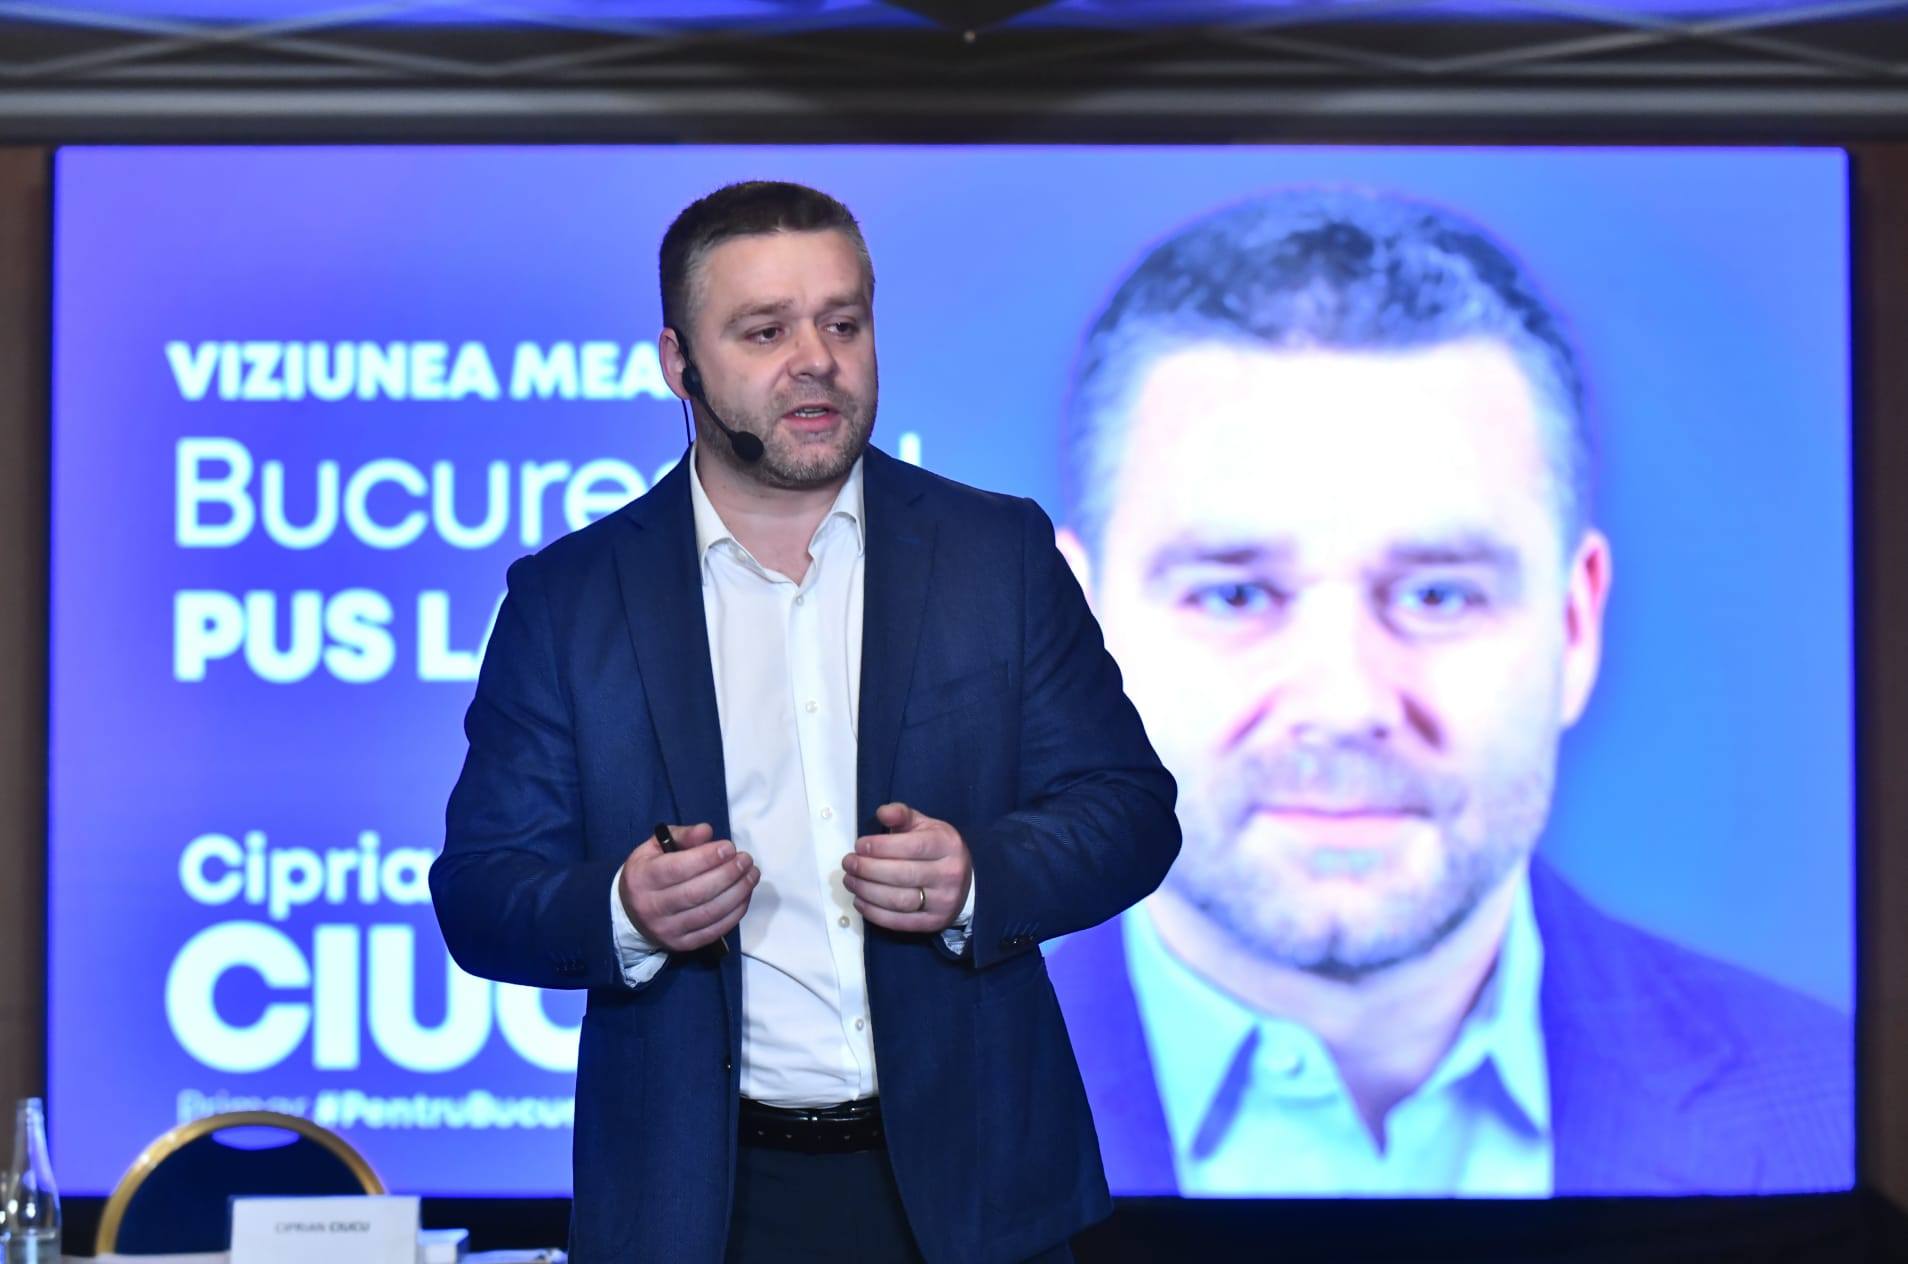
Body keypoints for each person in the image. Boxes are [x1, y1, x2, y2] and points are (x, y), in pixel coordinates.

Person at [1044, 188, 1851, 1198]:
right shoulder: (890, 1112)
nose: (1343, 704)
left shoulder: (1832, 1107)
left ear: (1575, 626)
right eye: (1235, 593)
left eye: (1437, 594)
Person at [431, 180, 1179, 1263]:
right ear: (678, 363)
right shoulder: (571, 600)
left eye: (843, 323)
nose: (816, 360)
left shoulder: (996, 555)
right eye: (764, 331)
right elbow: (481, 892)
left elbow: (1130, 813)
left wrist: (981, 876)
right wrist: (625, 907)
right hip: (702, 1205)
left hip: (978, 1194)